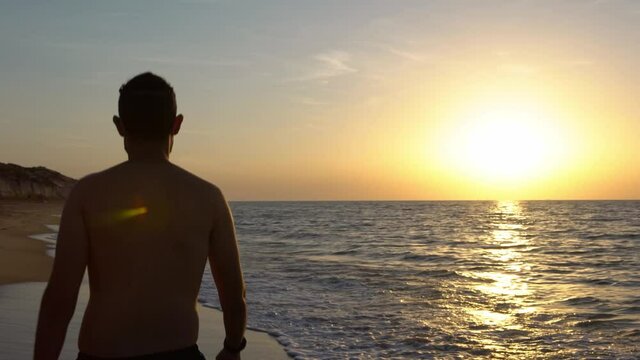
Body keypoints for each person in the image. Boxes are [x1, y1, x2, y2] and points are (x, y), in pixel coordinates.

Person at [34, 72, 247, 360]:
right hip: (180, 353)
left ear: (119, 126)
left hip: (102, 353)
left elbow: (60, 298)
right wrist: (233, 347)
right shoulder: (209, 197)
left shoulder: (87, 194)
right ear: (177, 124)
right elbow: (234, 296)